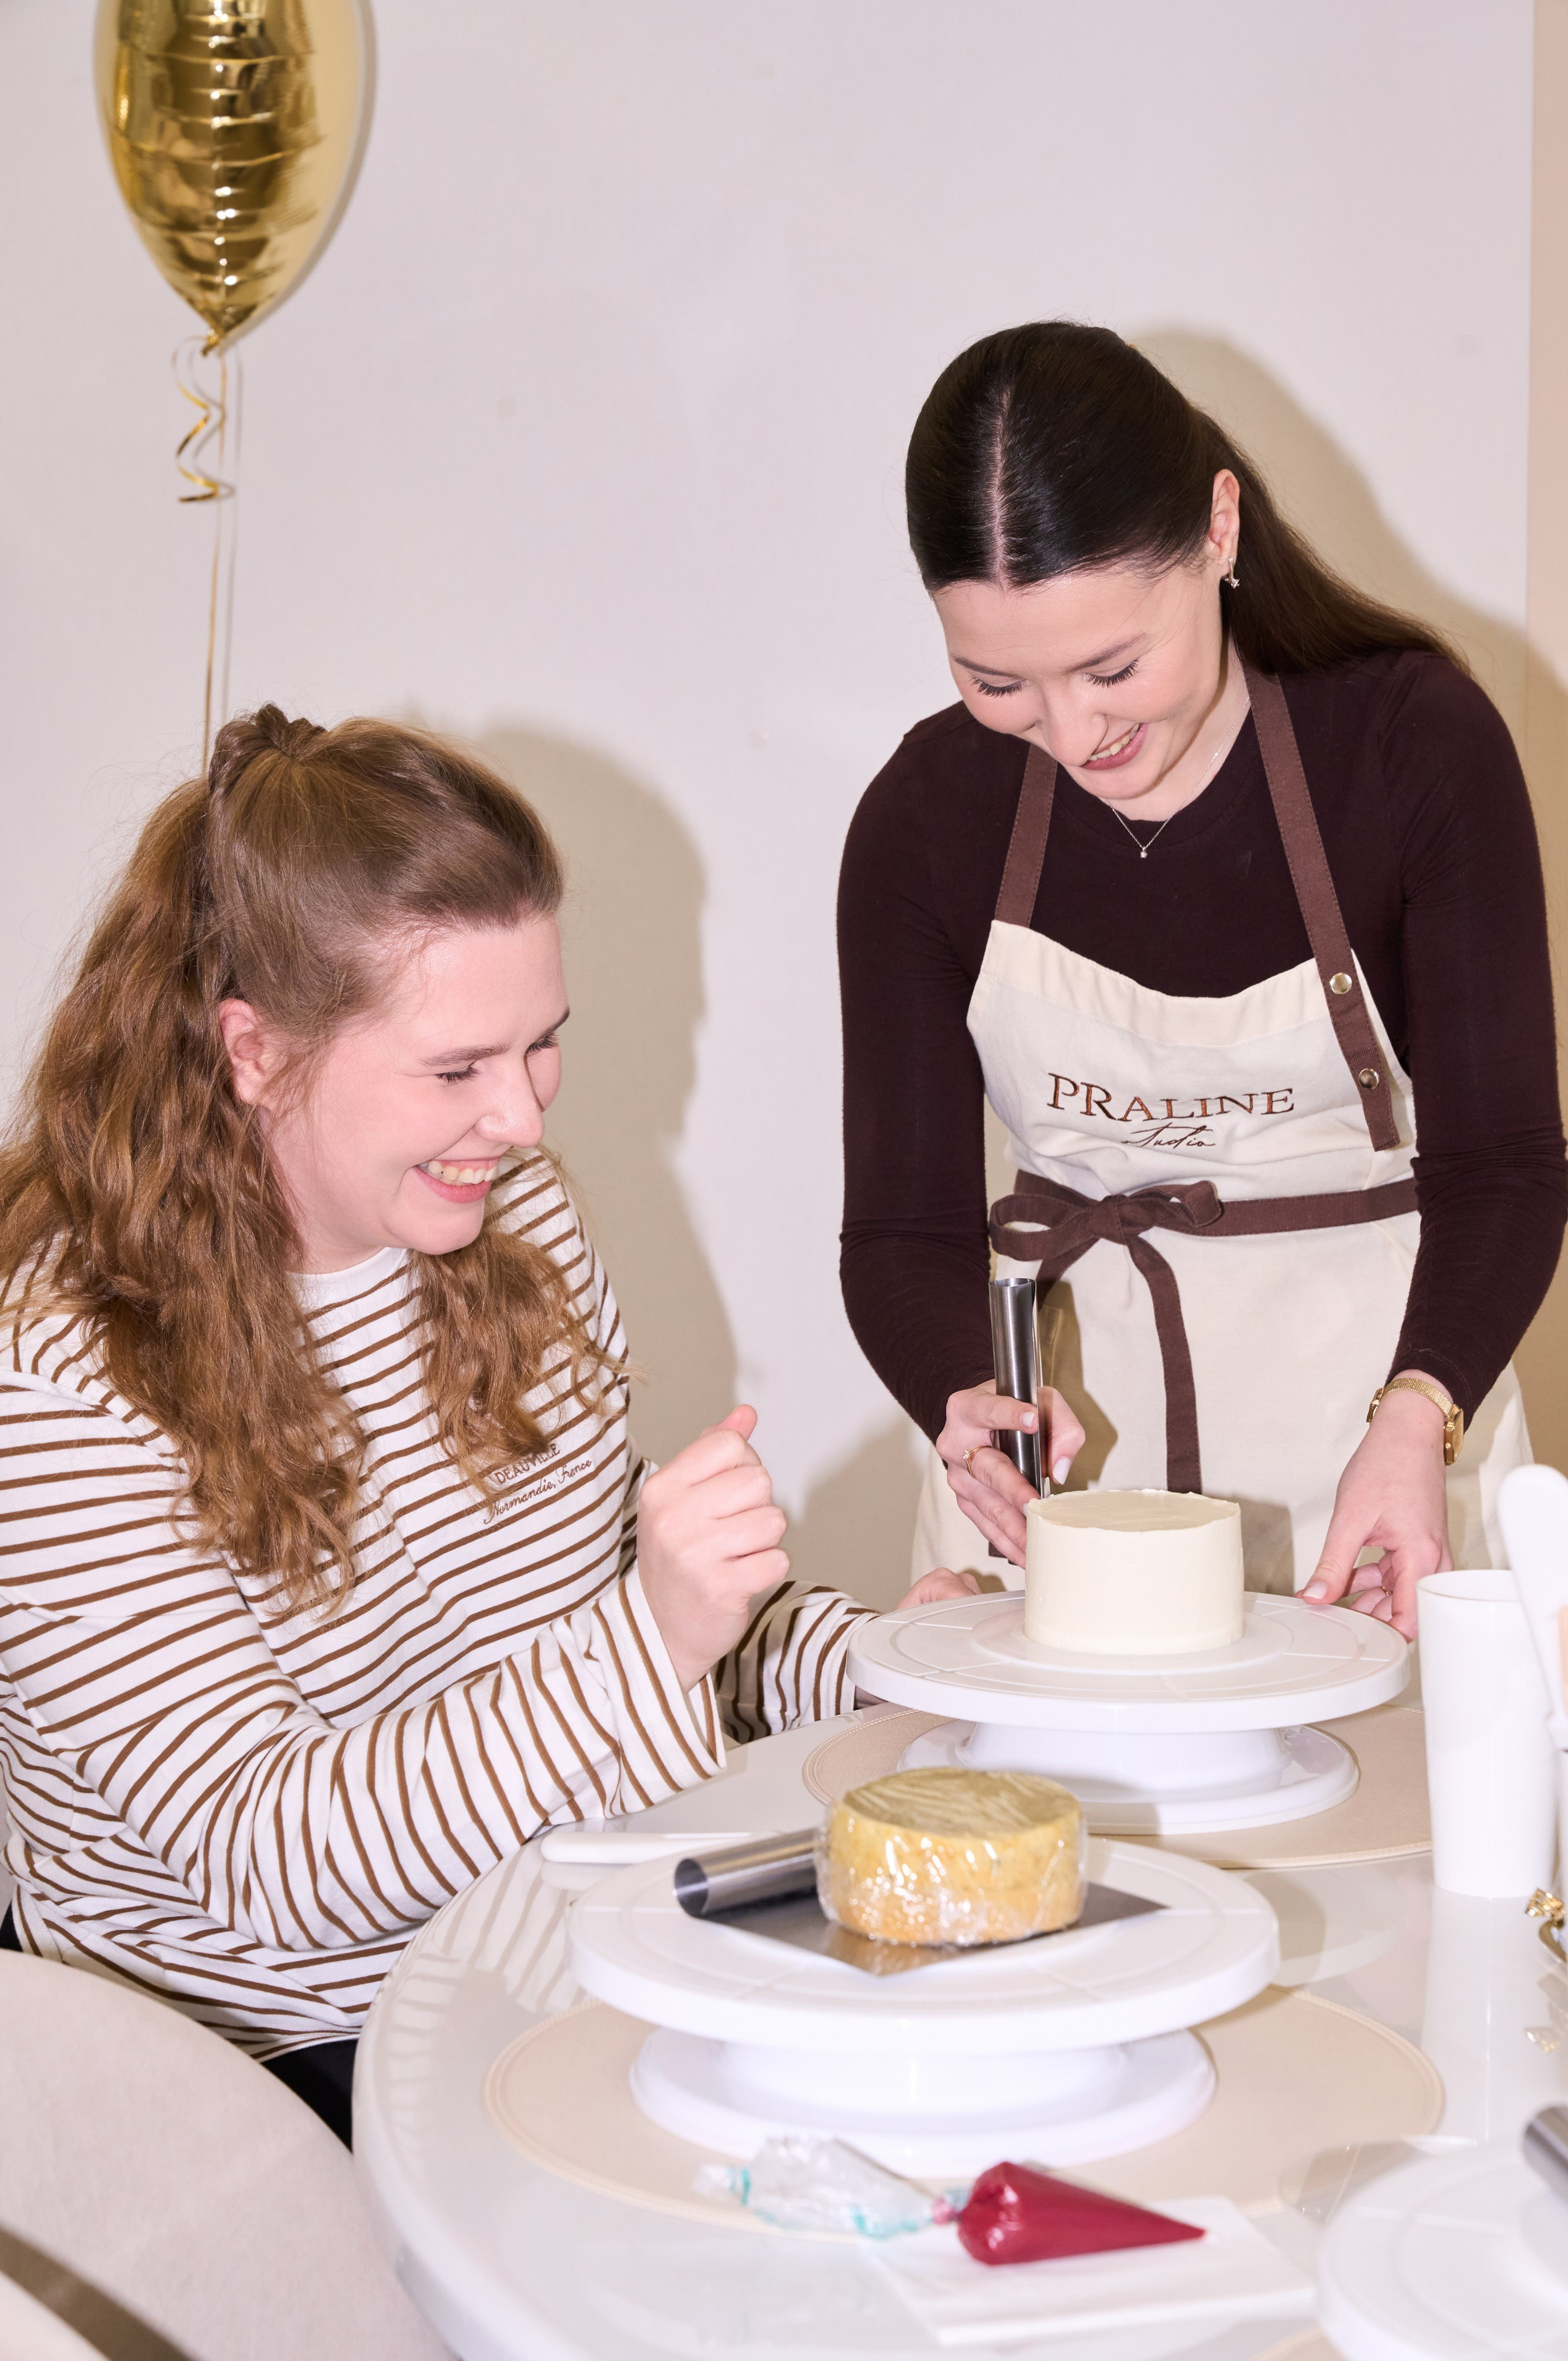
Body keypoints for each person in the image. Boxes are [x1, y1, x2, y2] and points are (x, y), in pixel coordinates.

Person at [0, 708, 968, 2145]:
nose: (517, 1119)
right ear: (253, 1053)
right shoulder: (64, 1385)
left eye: (540, 1047)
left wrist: (883, 1658)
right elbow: (276, 1863)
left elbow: (596, 1605)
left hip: (539, 1943)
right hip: (262, 2067)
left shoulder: (506, 1221)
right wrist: (655, 1639)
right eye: (455, 1070)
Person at [839, 321, 1567, 1636]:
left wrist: (1420, 1415)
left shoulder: (1411, 751)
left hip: (1383, 1456)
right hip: (1061, 1500)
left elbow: (1504, 1167)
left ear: (1217, 532)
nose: (1070, 734)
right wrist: (960, 1398)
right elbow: (899, 1235)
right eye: (994, 680)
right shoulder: (923, 819)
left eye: (1112, 667)